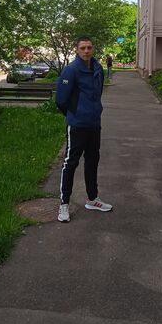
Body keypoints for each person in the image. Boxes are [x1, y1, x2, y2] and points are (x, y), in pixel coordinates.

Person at [55, 36, 112, 222]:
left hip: (94, 124)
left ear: (93, 49)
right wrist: (75, 114)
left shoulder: (98, 69)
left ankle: (92, 199)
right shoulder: (71, 70)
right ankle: (64, 204)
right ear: (77, 50)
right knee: (70, 163)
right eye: (83, 48)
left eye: (89, 47)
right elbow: (61, 100)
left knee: (92, 161)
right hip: (77, 125)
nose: (86, 51)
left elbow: (98, 93)